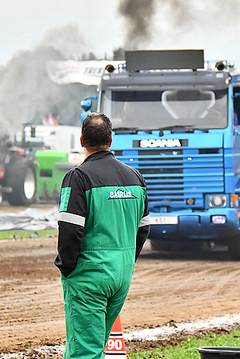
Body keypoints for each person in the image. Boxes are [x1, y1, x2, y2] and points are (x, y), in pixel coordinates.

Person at [55, 112, 150, 359]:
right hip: (121, 274)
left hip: (89, 276)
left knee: (84, 351)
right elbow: (143, 228)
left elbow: (69, 230)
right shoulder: (136, 178)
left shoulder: (79, 177)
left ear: (81, 141)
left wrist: (67, 268)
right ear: (111, 139)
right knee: (93, 345)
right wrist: (125, 260)